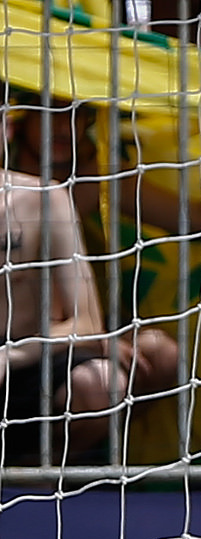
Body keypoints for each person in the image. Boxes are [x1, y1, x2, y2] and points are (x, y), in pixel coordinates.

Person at [1, 107, 179, 465]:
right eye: (46, 115)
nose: (60, 128)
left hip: (27, 363)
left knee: (112, 377)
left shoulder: (46, 197)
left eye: (72, 115)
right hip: (51, 343)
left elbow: (86, 320)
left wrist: (10, 355)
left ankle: (39, 481)